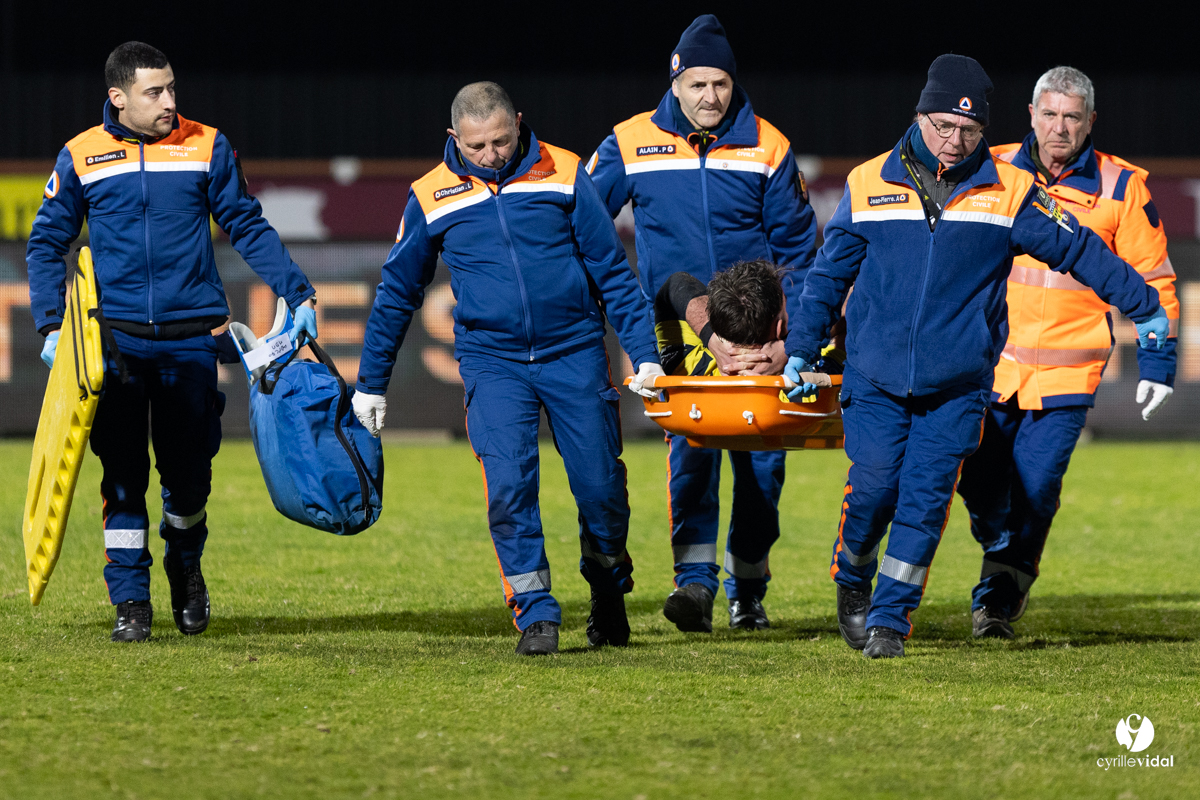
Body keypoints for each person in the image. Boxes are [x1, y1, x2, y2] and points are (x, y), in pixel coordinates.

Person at [785, 54, 1169, 658]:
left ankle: (890, 621)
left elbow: (1082, 253)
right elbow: (826, 280)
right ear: (919, 115)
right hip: (875, 379)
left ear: (983, 132)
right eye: (943, 125)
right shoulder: (866, 183)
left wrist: (1145, 307)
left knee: (925, 500)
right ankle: (853, 579)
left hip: (959, 386)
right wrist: (802, 350)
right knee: (875, 493)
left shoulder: (1011, 190)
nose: (954, 140)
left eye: (968, 131)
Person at [352, 82, 662, 656]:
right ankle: (536, 612)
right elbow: (397, 294)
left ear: (519, 122)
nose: (492, 154)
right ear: (453, 139)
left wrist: (644, 352)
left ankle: (608, 587)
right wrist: (371, 383)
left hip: (575, 352)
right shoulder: (430, 196)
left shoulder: (566, 172)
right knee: (510, 487)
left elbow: (611, 271)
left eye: (501, 140)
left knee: (600, 490)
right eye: (477, 147)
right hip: (492, 365)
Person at [26, 42, 318, 642]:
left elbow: (247, 224)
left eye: (172, 88)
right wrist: (52, 326)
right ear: (118, 97)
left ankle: (185, 569)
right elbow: (44, 242)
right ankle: (131, 600)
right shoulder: (81, 155)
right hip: (116, 348)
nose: (169, 102)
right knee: (123, 478)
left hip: (191, 343)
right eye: (154, 92)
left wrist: (301, 292)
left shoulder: (206, 144)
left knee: (189, 481)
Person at [587, 15, 817, 633]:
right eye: (698, 85)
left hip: (759, 339)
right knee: (690, 458)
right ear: (676, 82)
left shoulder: (768, 144)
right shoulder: (630, 141)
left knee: (762, 470)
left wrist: (785, 341)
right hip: (675, 330)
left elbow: (799, 253)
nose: (711, 96)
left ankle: (748, 589)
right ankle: (694, 587)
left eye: (720, 83)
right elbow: (583, 226)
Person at [956, 67, 1180, 639]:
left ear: (1090, 122)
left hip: (1067, 377)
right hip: (987, 369)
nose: (1059, 128)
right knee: (978, 486)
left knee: (1037, 490)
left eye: (1072, 117)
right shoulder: (989, 167)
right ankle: (1004, 553)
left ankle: (998, 599)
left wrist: (1158, 364)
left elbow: (1155, 281)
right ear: (1030, 114)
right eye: (1049, 114)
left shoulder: (1122, 187)